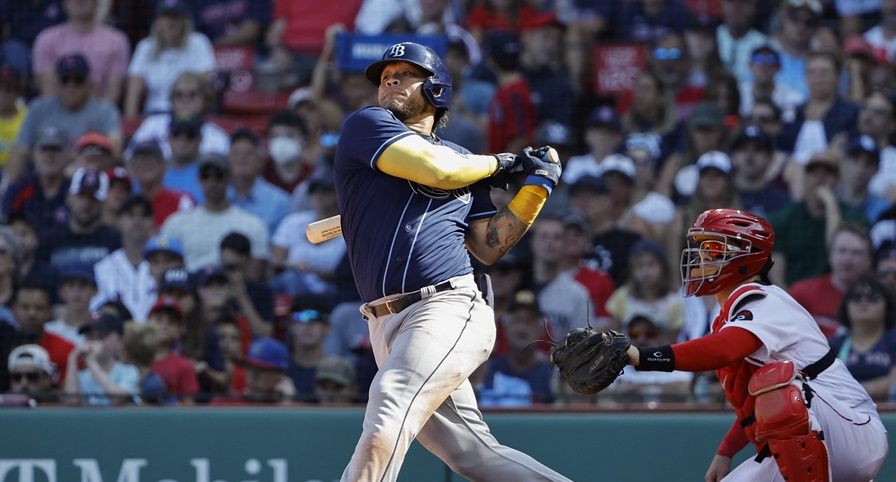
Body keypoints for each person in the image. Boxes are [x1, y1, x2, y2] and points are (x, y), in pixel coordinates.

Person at [333, 42, 570, 481]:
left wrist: (535, 186)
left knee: (390, 403)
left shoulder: (465, 162)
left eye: (406, 74)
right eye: (386, 75)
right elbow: (436, 170)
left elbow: (488, 245)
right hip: (385, 323)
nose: (390, 80)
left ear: (437, 89)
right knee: (474, 456)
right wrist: (503, 162)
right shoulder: (367, 125)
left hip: (446, 306)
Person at [606, 208, 887, 481]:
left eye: (713, 250)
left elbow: (724, 350)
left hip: (853, 430)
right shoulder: (730, 313)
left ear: (746, 258)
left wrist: (639, 357)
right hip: (817, 436)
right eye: (701, 249)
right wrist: (725, 452)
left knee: (780, 389)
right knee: (766, 388)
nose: (702, 258)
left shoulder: (766, 299)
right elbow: (754, 402)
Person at [124, 0, 215, 117]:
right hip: (154, 113)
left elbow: (205, 87)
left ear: (184, 21)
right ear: (156, 22)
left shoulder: (199, 42)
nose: (170, 23)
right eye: (165, 18)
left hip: (190, 114)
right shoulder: (145, 47)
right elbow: (133, 92)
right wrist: (131, 122)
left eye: (175, 18)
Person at [829, 274, 896, 401]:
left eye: (872, 297)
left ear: (887, 305)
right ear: (846, 305)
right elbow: (825, 384)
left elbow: (894, 382)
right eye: (856, 297)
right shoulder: (833, 345)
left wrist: (853, 391)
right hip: (845, 414)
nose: (863, 302)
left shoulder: (893, 339)